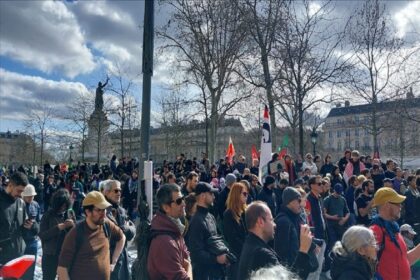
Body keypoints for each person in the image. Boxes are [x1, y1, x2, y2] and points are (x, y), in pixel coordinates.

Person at [57, 191, 126, 280]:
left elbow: (122, 237)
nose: (104, 213)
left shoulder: (106, 224)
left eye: (104, 209)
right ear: (88, 212)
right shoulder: (75, 234)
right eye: (99, 210)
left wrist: (114, 262)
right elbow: (62, 269)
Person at [238, 201, 312, 280]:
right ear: (260, 222)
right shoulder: (262, 254)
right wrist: (303, 250)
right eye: (271, 220)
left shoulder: (250, 244)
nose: (275, 224)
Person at [370, 187, 420, 280]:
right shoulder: (375, 231)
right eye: (397, 203)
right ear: (386, 205)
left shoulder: (394, 230)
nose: (400, 206)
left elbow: (405, 259)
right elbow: (365, 266)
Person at [147, 184, 192, 279]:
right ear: (166, 207)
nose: (184, 204)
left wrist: (187, 264)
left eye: (183, 199)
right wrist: (188, 266)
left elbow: (186, 256)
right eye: (179, 201)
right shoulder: (165, 242)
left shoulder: (175, 229)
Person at [189, 182, 231, 280]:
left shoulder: (210, 216)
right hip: (204, 274)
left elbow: (217, 240)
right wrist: (216, 259)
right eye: (211, 193)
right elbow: (195, 253)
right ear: (203, 196)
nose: (214, 197)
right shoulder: (196, 221)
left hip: (216, 273)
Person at [275, 187, 318, 278]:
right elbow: (282, 254)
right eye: (299, 200)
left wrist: (312, 245)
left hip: (300, 268)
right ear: (289, 201)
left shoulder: (296, 217)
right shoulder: (283, 221)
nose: (302, 205)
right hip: (291, 273)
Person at [103, 180, 135, 280]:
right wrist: (121, 230)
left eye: (120, 191)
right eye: (116, 191)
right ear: (107, 192)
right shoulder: (101, 210)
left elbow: (132, 230)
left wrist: (125, 229)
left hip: (123, 256)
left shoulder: (122, 210)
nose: (119, 193)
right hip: (108, 257)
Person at [39, 189, 75, 280]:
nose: (63, 208)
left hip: (65, 255)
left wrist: (73, 225)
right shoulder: (48, 215)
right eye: (61, 205)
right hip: (50, 255)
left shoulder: (70, 213)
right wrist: (58, 228)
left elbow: (76, 234)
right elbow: (42, 235)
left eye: (65, 205)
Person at [0, 171, 31, 265]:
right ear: (10, 185)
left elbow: (23, 229)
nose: (21, 194)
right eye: (19, 191)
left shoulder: (21, 203)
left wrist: (30, 226)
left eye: (22, 191)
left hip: (17, 255)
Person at [223, 182, 248, 279]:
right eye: (244, 194)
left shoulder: (244, 212)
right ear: (237, 195)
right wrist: (245, 249)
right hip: (237, 258)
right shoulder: (228, 214)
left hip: (245, 255)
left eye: (247, 193)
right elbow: (232, 238)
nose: (247, 196)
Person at [21, 184, 41, 280]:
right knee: (21, 268)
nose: (31, 198)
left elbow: (38, 223)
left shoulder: (36, 205)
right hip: (21, 241)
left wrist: (34, 227)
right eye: (28, 196)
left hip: (33, 241)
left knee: (31, 267)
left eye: (32, 196)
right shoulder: (18, 204)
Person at [323, 183, 350, 250]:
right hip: (331, 225)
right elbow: (324, 214)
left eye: (340, 192)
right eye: (337, 192)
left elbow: (348, 212)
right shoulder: (327, 199)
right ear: (334, 190)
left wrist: (344, 219)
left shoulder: (343, 199)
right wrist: (332, 217)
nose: (339, 194)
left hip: (340, 225)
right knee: (333, 243)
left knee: (341, 243)